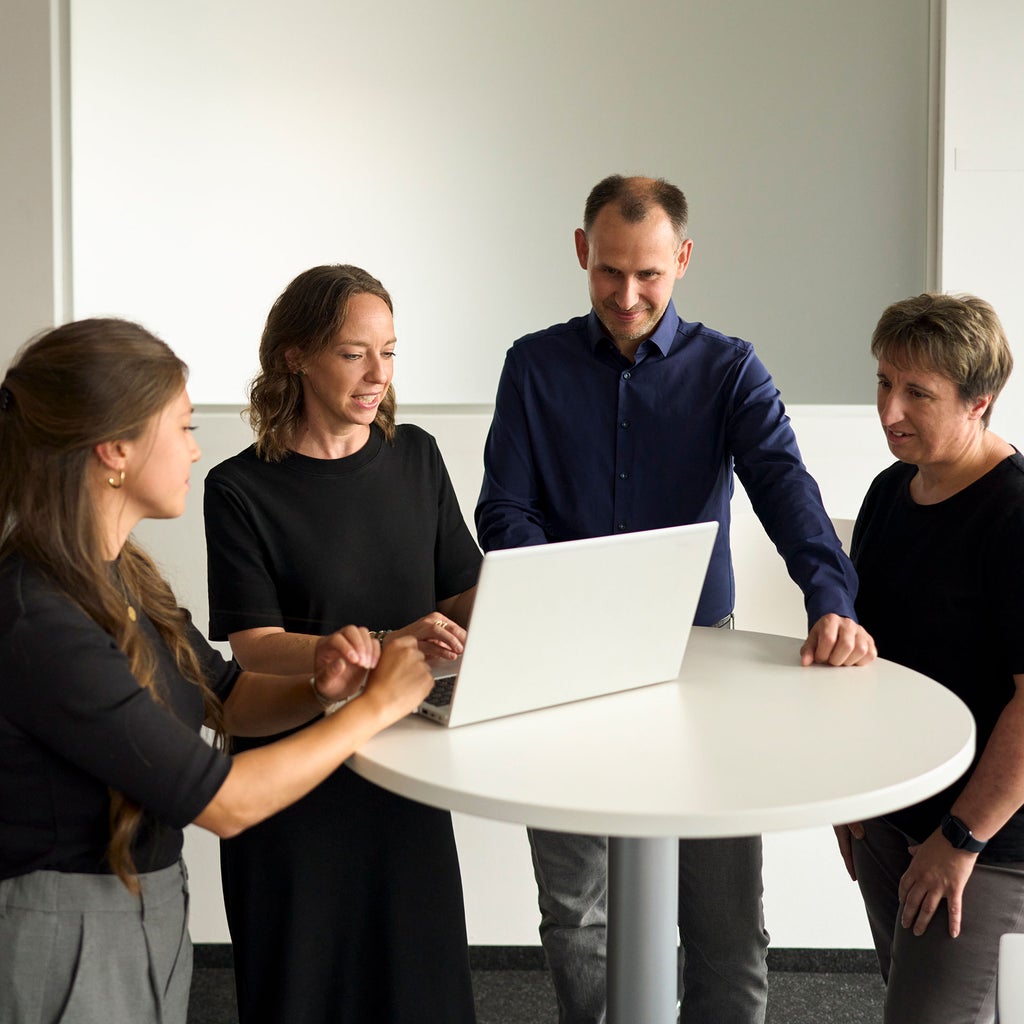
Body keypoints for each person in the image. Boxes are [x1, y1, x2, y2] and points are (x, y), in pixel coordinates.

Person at [475, 174, 877, 1024]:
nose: (628, 295)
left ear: (683, 261)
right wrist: (561, 593)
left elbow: (785, 488)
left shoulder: (729, 368)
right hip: (563, 660)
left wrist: (830, 597)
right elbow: (503, 508)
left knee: (725, 918)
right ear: (582, 252)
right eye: (609, 272)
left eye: (649, 275)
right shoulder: (533, 367)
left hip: (700, 653)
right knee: (576, 904)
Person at [0, 318, 434, 1024]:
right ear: (114, 450)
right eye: (182, 428)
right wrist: (375, 707)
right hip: (66, 928)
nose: (196, 451)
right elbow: (225, 803)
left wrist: (322, 688)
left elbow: (225, 697)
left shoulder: (125, 575)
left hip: (146, 907)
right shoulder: (39, 618)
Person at [203, 264, 481, 1024]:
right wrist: (387, 643)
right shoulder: (238, 488)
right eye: (356, 353)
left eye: (389, 353)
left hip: (406, 766)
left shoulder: (417, 455)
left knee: (420, 988)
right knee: (304, 992)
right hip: (294, 774)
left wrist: (526, 604)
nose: (378, 376)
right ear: (295, 355)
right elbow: (255, 647)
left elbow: (460, 590)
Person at [834, 292, 1024, 1024]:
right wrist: (850, 795)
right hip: (893, 816)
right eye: (884, 382)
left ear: (980, 401)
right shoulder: (890, 493)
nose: (889, 412)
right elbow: (868, 657)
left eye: (918, 393)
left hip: (987, 840)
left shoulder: (1012, 515)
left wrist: (960, 839)